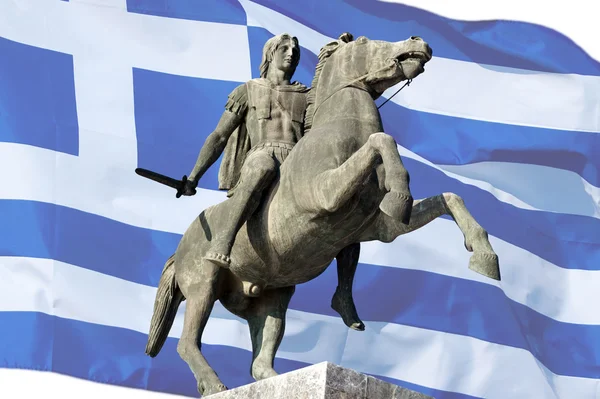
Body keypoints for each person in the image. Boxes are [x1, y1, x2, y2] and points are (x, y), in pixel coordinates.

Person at [181, 33, 309, 270]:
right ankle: (223, 241)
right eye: (285, 48)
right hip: (262, 153)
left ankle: (344, 289)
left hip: (296, 160)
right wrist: (193, 177)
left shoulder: (307, 96)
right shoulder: (247, 91)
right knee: (263, 166)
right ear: (270, 54)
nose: (292, 53)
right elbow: (219, 136)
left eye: (296, 50)